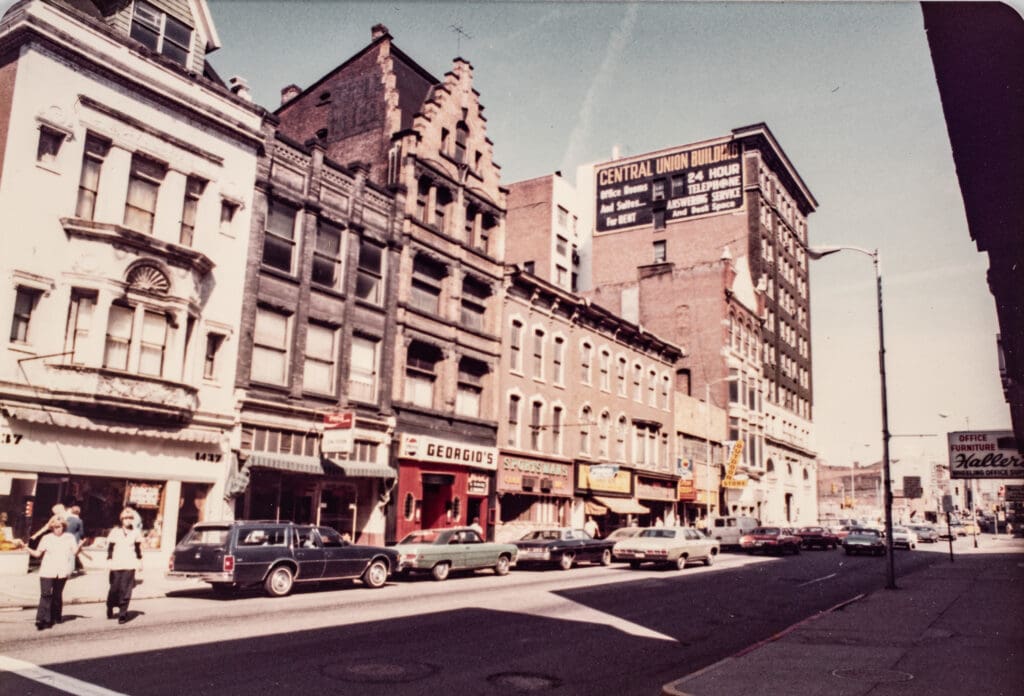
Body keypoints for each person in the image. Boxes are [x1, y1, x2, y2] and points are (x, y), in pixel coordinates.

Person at [26, 518, 81, 630]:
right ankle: (43, 619)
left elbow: (74, 552)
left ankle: (56, 616)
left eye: (59, 526)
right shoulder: (46, 538)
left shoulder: (69, 538)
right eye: (54, 527)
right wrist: (25, 548)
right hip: (47, 570)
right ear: (51, 528)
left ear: (63, 527)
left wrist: (80, 546)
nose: (57, 529)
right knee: (45, 594)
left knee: (57, 594)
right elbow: (37, 554)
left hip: (62, 570)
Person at [106, 508, 143, 624]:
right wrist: (109, 560)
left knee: (126, 589)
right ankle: (110, 605)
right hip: (116, 563)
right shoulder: (115, 531)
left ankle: (123, 612)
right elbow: (110, 548)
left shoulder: (136, 532)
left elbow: (137, 549)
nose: (128, 520)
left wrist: (139, 562)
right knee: (114, 588)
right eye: (125, 518)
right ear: (121, 519)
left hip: (130, 563)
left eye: (130, 518)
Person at [65, 505, 84, 574]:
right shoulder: (79, 521)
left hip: (65, 538)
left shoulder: (66, 519)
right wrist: (82, 539)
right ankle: (71, 569)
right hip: (74, 539)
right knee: (72, 554)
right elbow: (81, 532)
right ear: (79, 512)